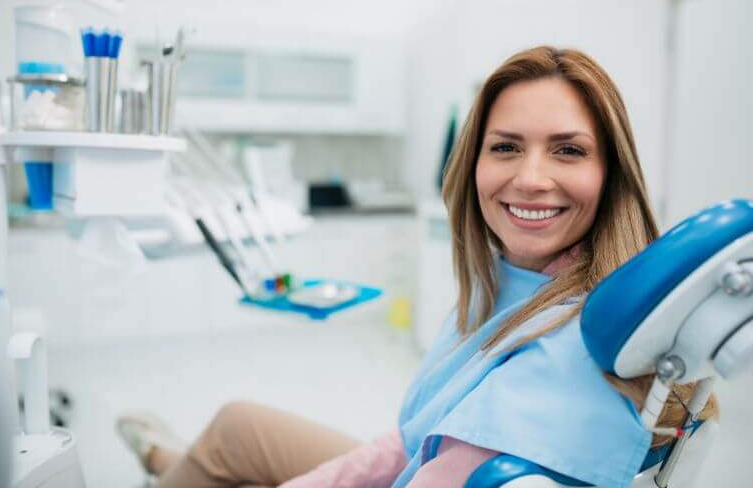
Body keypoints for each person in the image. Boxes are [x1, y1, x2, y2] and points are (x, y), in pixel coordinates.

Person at [117, 46, 717, 488]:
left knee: (232, 461)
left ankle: (167, 464)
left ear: (611, 174)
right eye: (506, 146)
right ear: (474, 164)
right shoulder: (517, 283)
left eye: (568, 150)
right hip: (415, 464)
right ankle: (172, 461)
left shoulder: (572, 344)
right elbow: (412, 442)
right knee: (239, 424)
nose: (531, 178)